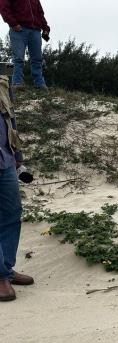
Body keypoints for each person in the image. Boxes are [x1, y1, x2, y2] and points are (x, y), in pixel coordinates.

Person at [0, 74, 33, 302]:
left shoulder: (2, 82)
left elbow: (11, 118)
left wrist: (18, 155)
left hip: (6, 159)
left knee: (12, 214)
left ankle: (6, 269)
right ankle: (0, 276)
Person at [0, 0, 50, 89]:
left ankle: (40, 84)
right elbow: (3, 8)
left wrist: (45, 28)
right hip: (19, 30)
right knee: (18, 58)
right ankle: (17, 83)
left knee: (37, 59)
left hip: (35, 30)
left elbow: (40, 13)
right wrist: (13, 23)